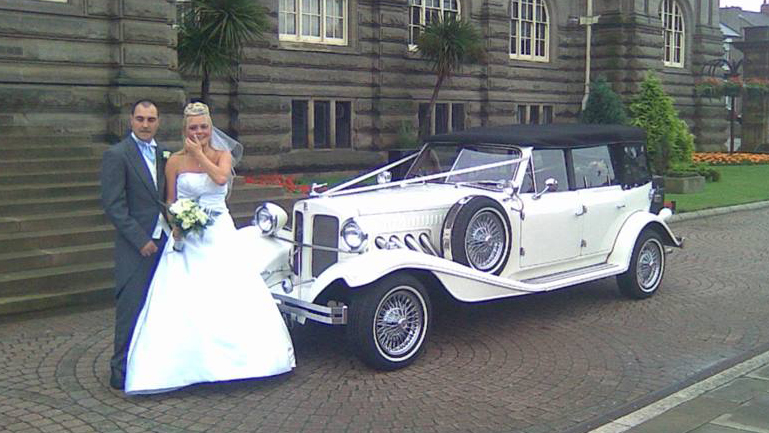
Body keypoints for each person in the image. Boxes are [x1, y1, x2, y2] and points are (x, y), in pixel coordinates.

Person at [124, 102, 295, 394]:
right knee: (185, 299)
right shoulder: (175, 161)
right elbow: (170, 201)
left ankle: (244, 364)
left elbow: (219, 178)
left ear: (210, 127)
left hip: (219, 234)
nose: (199, 131)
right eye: (193, 128)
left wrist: (200, 155)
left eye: (204, 127)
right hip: (189, 239)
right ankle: (186, 368)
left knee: (229, 292)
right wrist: (178, 223)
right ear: (185, 130)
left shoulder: (222, 154)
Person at [101, 100, 170, 390]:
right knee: (130, 307)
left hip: (166, 243)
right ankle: (120, 368)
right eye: (140, 119)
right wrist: (140, 239)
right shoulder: (117, 155)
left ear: (157, 122)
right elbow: (114, 205)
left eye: (151, 119)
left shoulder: (163, 154)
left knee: (161, 307)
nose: (145, 124)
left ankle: (153, 365)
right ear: (131, 120)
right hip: (136, 245)